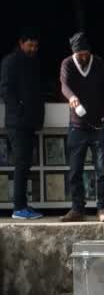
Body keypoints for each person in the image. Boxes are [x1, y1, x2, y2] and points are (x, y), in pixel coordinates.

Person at [59, 32, 104, 223]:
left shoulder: (99, 63)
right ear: (74, 53)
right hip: (77, 126)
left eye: (86, 53)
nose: (84, 57)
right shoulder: (67, 64)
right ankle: (77, 208)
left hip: (98, 126)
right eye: (80, 54)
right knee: (75, 169)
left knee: (102, 169)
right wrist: (72, 97)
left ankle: (102, 208)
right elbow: (64, 85)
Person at [1, 29, 44, 220]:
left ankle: (23, 204)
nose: (33, 49)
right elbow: (5, 89)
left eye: (35, 46)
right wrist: (19, 109)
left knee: (26, 164)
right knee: (21, 163)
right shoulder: (10, 61)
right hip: (17, 123)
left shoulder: (33, 63)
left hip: (29, 122)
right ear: (21, 43)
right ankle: (18, 207)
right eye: (30, 45)